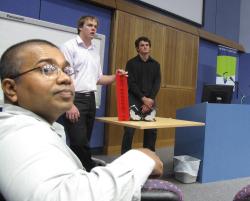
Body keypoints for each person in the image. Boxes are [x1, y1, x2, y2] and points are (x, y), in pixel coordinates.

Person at [0, 39, 163, 201]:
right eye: (47, 69)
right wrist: (140, 158)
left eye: (67, 70)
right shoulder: (19, 132)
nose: (66, 78)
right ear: (11, 88)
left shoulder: (39, 127)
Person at [60, 16, 126, 171]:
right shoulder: (69, 47)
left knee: (85, 141)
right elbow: (64, 78)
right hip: (75, 99)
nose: (93, 28)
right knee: (78, 141)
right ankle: (88, 171)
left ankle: (80, 170)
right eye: (89, 25)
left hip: (90, 99)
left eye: (95, 26)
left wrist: (116, 76)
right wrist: (69, 104)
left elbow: (99, 79)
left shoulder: (94, 51)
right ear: (80, 27)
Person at [121, 36, 161, 154]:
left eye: (147, 45)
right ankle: (125, 156)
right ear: (137, 49)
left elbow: (157, 83)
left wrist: (150, 101)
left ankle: (149, 155)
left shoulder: (156, 64)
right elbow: (131, 83)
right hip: (134, 98)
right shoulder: (131, 63)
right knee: (129, 130)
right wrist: (143, 99)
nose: (145, 47)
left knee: (151, 130)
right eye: (142, 45)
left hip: (150, 100)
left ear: (150, 47)